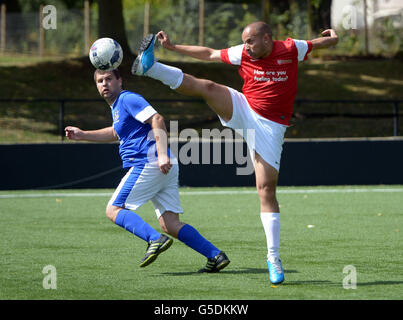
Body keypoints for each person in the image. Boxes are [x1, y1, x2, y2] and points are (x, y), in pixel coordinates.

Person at [131, 21, 338, 284]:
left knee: (266, 190)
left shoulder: (290, 48)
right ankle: (152, 68)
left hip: (271, 127)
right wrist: (172, 47)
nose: (246, 46)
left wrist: (333, 39)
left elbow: (317, 44)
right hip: (244, 106)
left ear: (266, 38)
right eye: (245, 42)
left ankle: (273, 257)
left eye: (251, 41)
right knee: (207, 87)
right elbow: (209, 54)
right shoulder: (243, 52)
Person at [65, 68, 230, 273]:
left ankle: (154, 239)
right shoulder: (117, 107)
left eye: (109, 79)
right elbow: (116, 132)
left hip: (148, 162)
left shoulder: (127, 99)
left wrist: (161, 154)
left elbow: (157, 119)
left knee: (113, 209)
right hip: (162, 165)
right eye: (100, 81)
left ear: (120, 81)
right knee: (170, 224)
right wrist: (83, 134)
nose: (104, 84)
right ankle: (215, 255)